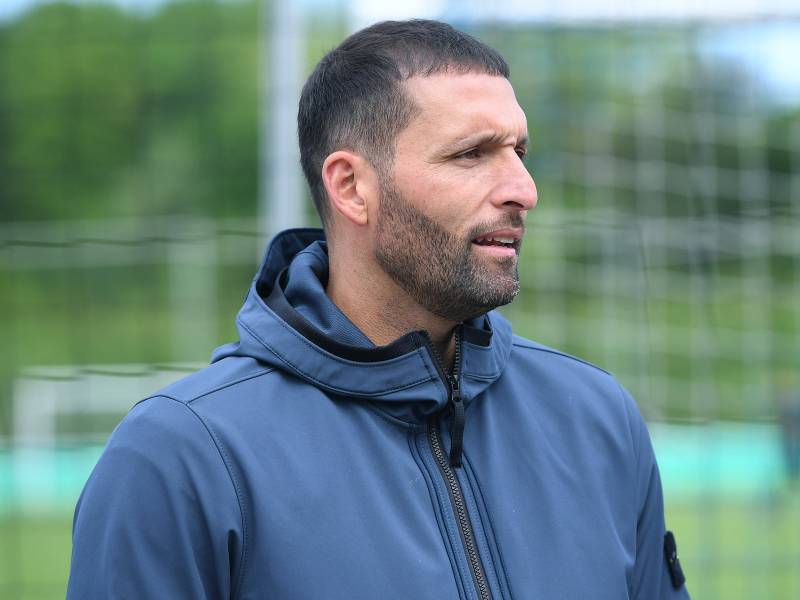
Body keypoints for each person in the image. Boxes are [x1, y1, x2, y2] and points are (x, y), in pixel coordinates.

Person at [67, 19, 689, 599]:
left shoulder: (597, 417)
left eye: (519, 152)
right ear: (351, 187)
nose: (523, 189)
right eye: (471, 154)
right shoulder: (183, 457)